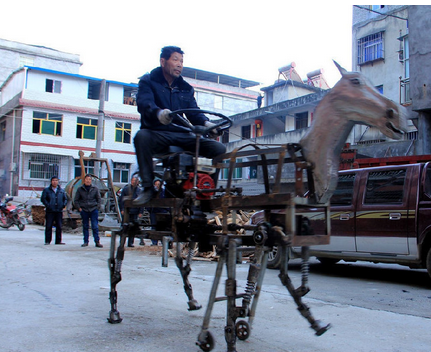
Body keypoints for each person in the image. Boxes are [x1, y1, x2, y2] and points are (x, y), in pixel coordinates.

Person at [133, 45, 226, 205]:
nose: (179, 64)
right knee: (141, 137)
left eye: (181, 61)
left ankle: (206, 190)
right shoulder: (148, 81)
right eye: (175, 60)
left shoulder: (185, 88)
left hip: (181, 134)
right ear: (163, 61)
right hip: (158, 133)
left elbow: (193, 113)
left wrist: (207, 124)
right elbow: (144, 103)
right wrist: (158, 113)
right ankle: (148, 187)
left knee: (219, 149)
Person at [74, 174, 103, 248]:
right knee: (85, 226)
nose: (88, 181)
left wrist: (97, 207)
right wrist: (79, 208)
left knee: (95, 226)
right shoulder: (80, 189)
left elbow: (99, 199)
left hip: (93, 210)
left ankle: (97, 242)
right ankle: (85, 241)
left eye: (89, 179)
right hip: (84, 210)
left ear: (91, 180)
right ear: (84, 180)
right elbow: (76, 200)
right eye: (87, 179)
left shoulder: (95, 189)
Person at [41, 175, 67, 245]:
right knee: (49, 226)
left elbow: (65, 199)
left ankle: (58, 241)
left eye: (56, 180)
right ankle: (47, 241)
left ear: (58, 182)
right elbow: (43, 199)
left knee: (59, 226)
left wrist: (63, 205)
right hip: (50, 211)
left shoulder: (61, 190)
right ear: (51, 182)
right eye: (53, 180)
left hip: (59, 211)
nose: (55, 182)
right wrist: (48, 205)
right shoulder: (47, 190)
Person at [119, 175, 144, 247]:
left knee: (133, 227)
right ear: (131, 181)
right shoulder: (126, 189)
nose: (134, 182)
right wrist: (122, 209)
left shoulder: (139, 191)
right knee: (124, 226)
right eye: (133, 180)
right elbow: (121, 200)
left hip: (135, 211)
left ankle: (130, 242)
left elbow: (142, 202)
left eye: (135, 181)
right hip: (127, 211)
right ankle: (122, 242)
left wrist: (140, 212)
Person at [147, 178, 167, 246]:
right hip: (154, 212)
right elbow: (148, 202)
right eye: (156, 184)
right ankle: (154, 242)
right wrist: (149, 209)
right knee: (153, 226)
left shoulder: (164, 192)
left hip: (162, 212)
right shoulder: (152, 193)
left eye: (158, 184)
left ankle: (163, 242)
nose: (157, 186)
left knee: (162, 227)